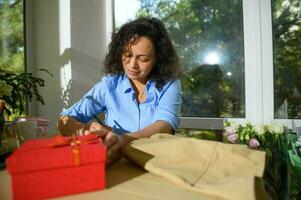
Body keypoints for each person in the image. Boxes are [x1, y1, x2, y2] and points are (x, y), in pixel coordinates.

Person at [57, 17, 182, 165]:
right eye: (127, 55)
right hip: (118, 163)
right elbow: (64, 119)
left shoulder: (170, 84)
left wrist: (121, 139)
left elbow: (165, 126)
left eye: (143, 59)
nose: (132, 65)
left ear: (157, 59)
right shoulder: (109, 86)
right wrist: (85, 129)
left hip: (157, 161)